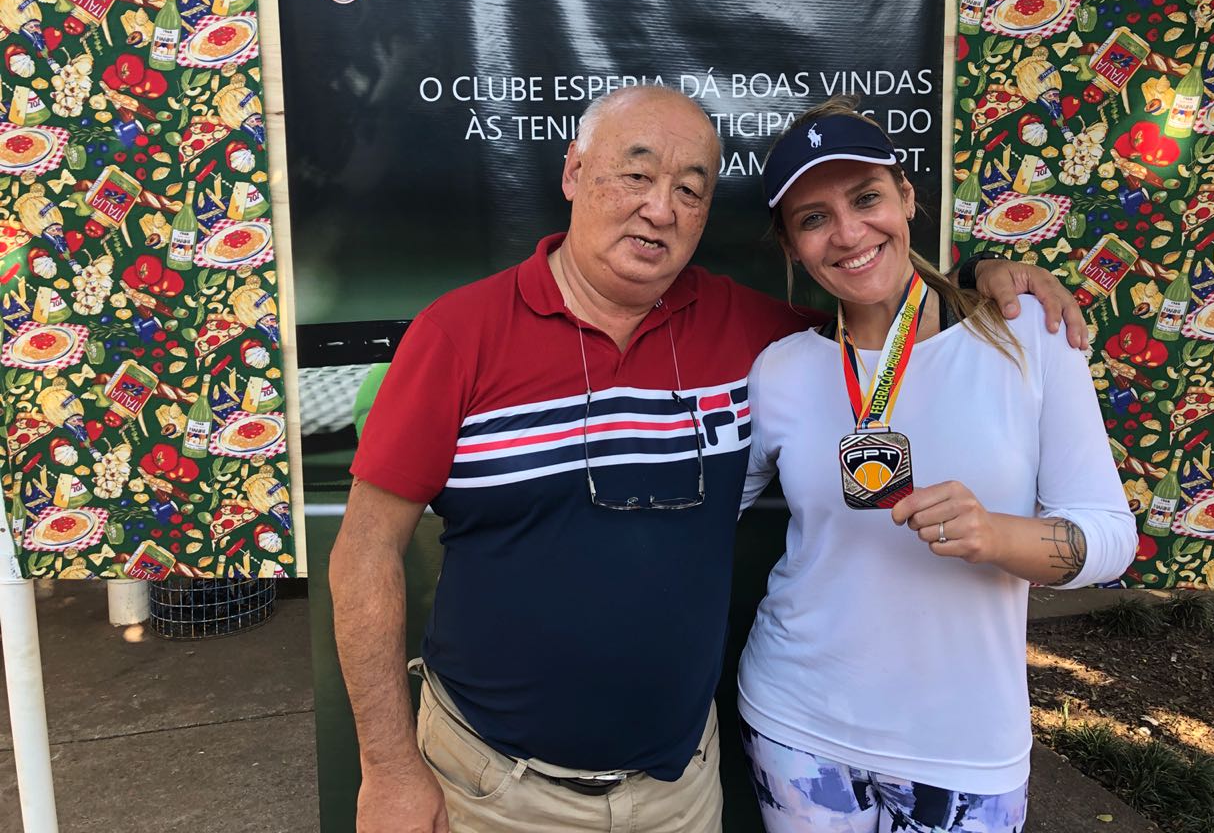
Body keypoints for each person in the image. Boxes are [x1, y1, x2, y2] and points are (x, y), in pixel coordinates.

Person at [328, 85, 1087, 833]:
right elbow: (364, 550)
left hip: (680, 793)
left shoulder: (753, 334)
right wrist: (388, 767)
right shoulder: (457, 334)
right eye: (636, 173)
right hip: (492, 788)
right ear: (573, 172)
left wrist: (982, 277)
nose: (661, 208)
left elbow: (877, 307)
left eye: (690, 190)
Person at [738, 98, 1136, 833]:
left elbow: (1111, 538)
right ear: (791, 246)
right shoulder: (780, 370)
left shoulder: (1024, 334)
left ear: (907, 198)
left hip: (964, 750)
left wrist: (997, 535)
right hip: (795, 723)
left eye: (866, 199)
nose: (848, 233)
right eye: (814, 218)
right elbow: (708, 508)